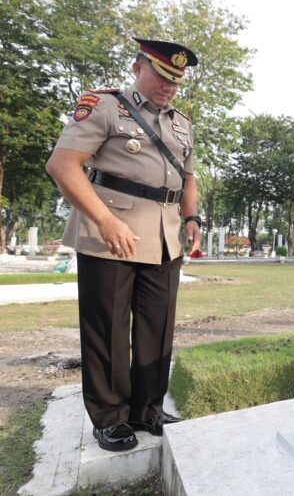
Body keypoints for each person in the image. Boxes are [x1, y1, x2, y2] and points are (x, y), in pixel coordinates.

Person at [46, 38, 200, 452]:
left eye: (176, 81)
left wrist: (192, 217)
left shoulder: (182, 124)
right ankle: (110, 417)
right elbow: (62, 165)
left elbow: (188, 176)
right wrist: (105, 221)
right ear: (137, 68)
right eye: (162, 76)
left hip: (166, 237)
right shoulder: (104, 106)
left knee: (157, 328)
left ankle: (147, 409)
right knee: (108, 330)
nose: (169, 87)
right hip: (110, 233)